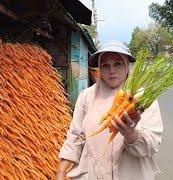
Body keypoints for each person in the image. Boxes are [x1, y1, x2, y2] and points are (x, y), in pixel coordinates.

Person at [56, 40, 163, 180]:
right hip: (92, 174)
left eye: (118, 64)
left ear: (127, 67)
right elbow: (75, 136)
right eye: (105, 65)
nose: (112, 70)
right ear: (100, 68)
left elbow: (152, 145)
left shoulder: (142, 98)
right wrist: (61, 171)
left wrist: (131, 134)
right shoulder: (87, 97)